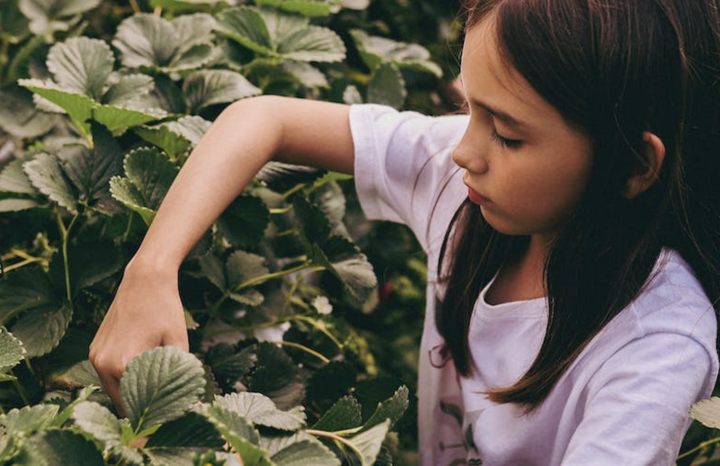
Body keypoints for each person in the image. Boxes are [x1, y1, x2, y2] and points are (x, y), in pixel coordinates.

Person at [90, 0, 720, 464]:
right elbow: (264, 120)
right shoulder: (468, 188)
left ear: (634, 166)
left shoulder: (658, 347)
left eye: (507, 133)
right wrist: (151, 270)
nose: (462, 151)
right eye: (468, 106)